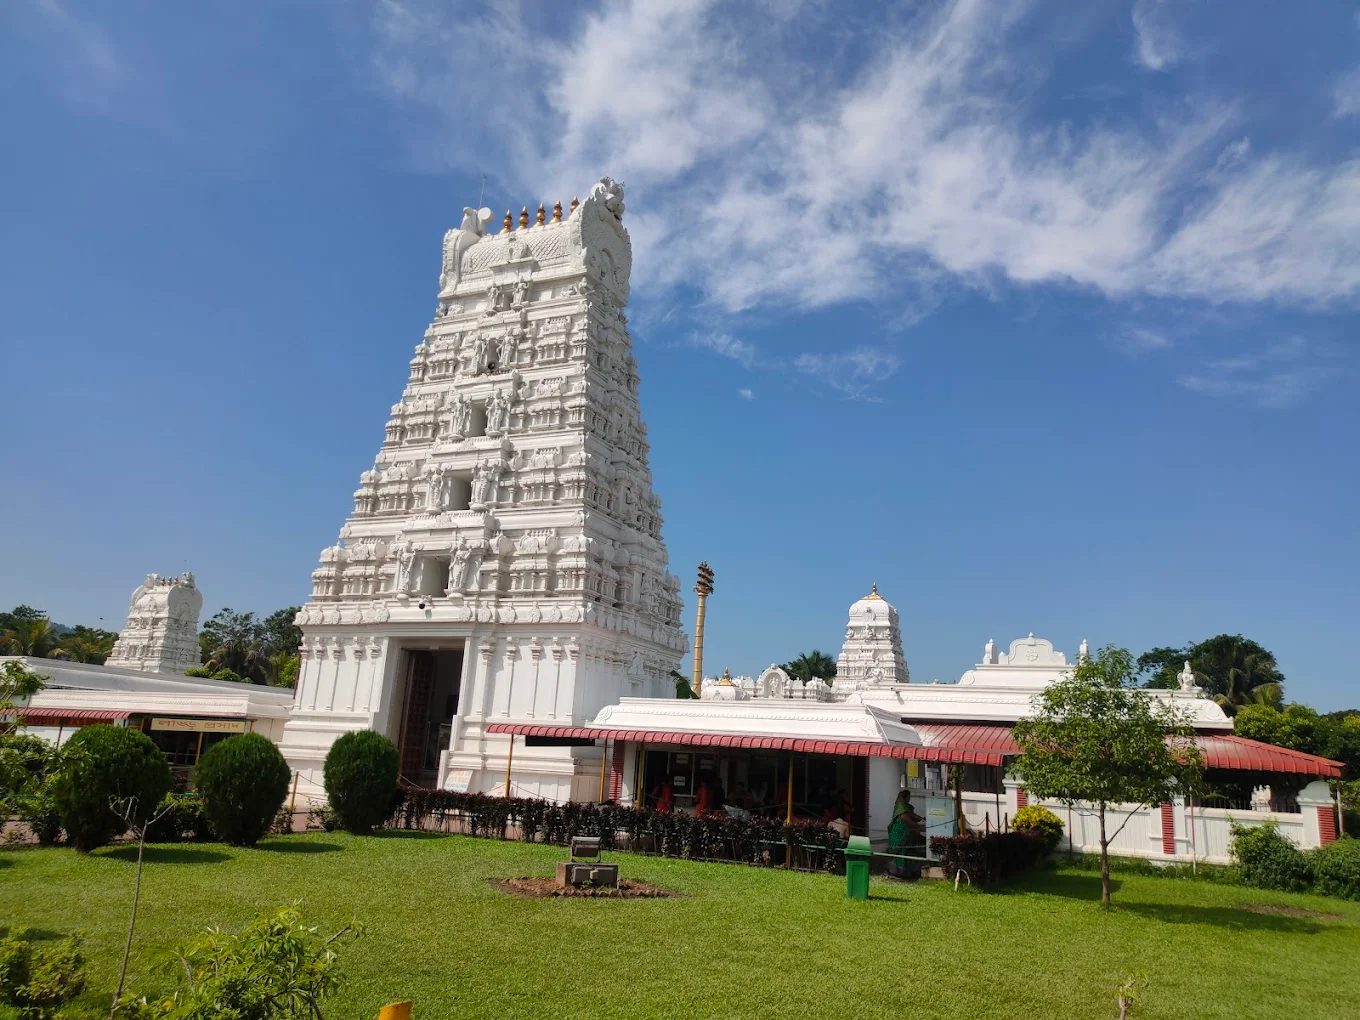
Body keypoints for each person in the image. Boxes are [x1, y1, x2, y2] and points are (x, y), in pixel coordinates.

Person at [886, 781, 927, 879]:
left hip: (905, 833)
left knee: (907, 851)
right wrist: (920, 827)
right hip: (898, 834)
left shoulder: (906, 806)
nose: (909, 799)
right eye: (908, 797)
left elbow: (912, 815)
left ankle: (906, 871)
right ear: (905, 797)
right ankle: (896, 872)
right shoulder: (901, 806)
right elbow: (908, 819)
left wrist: (922, 818)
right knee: (899, 852)